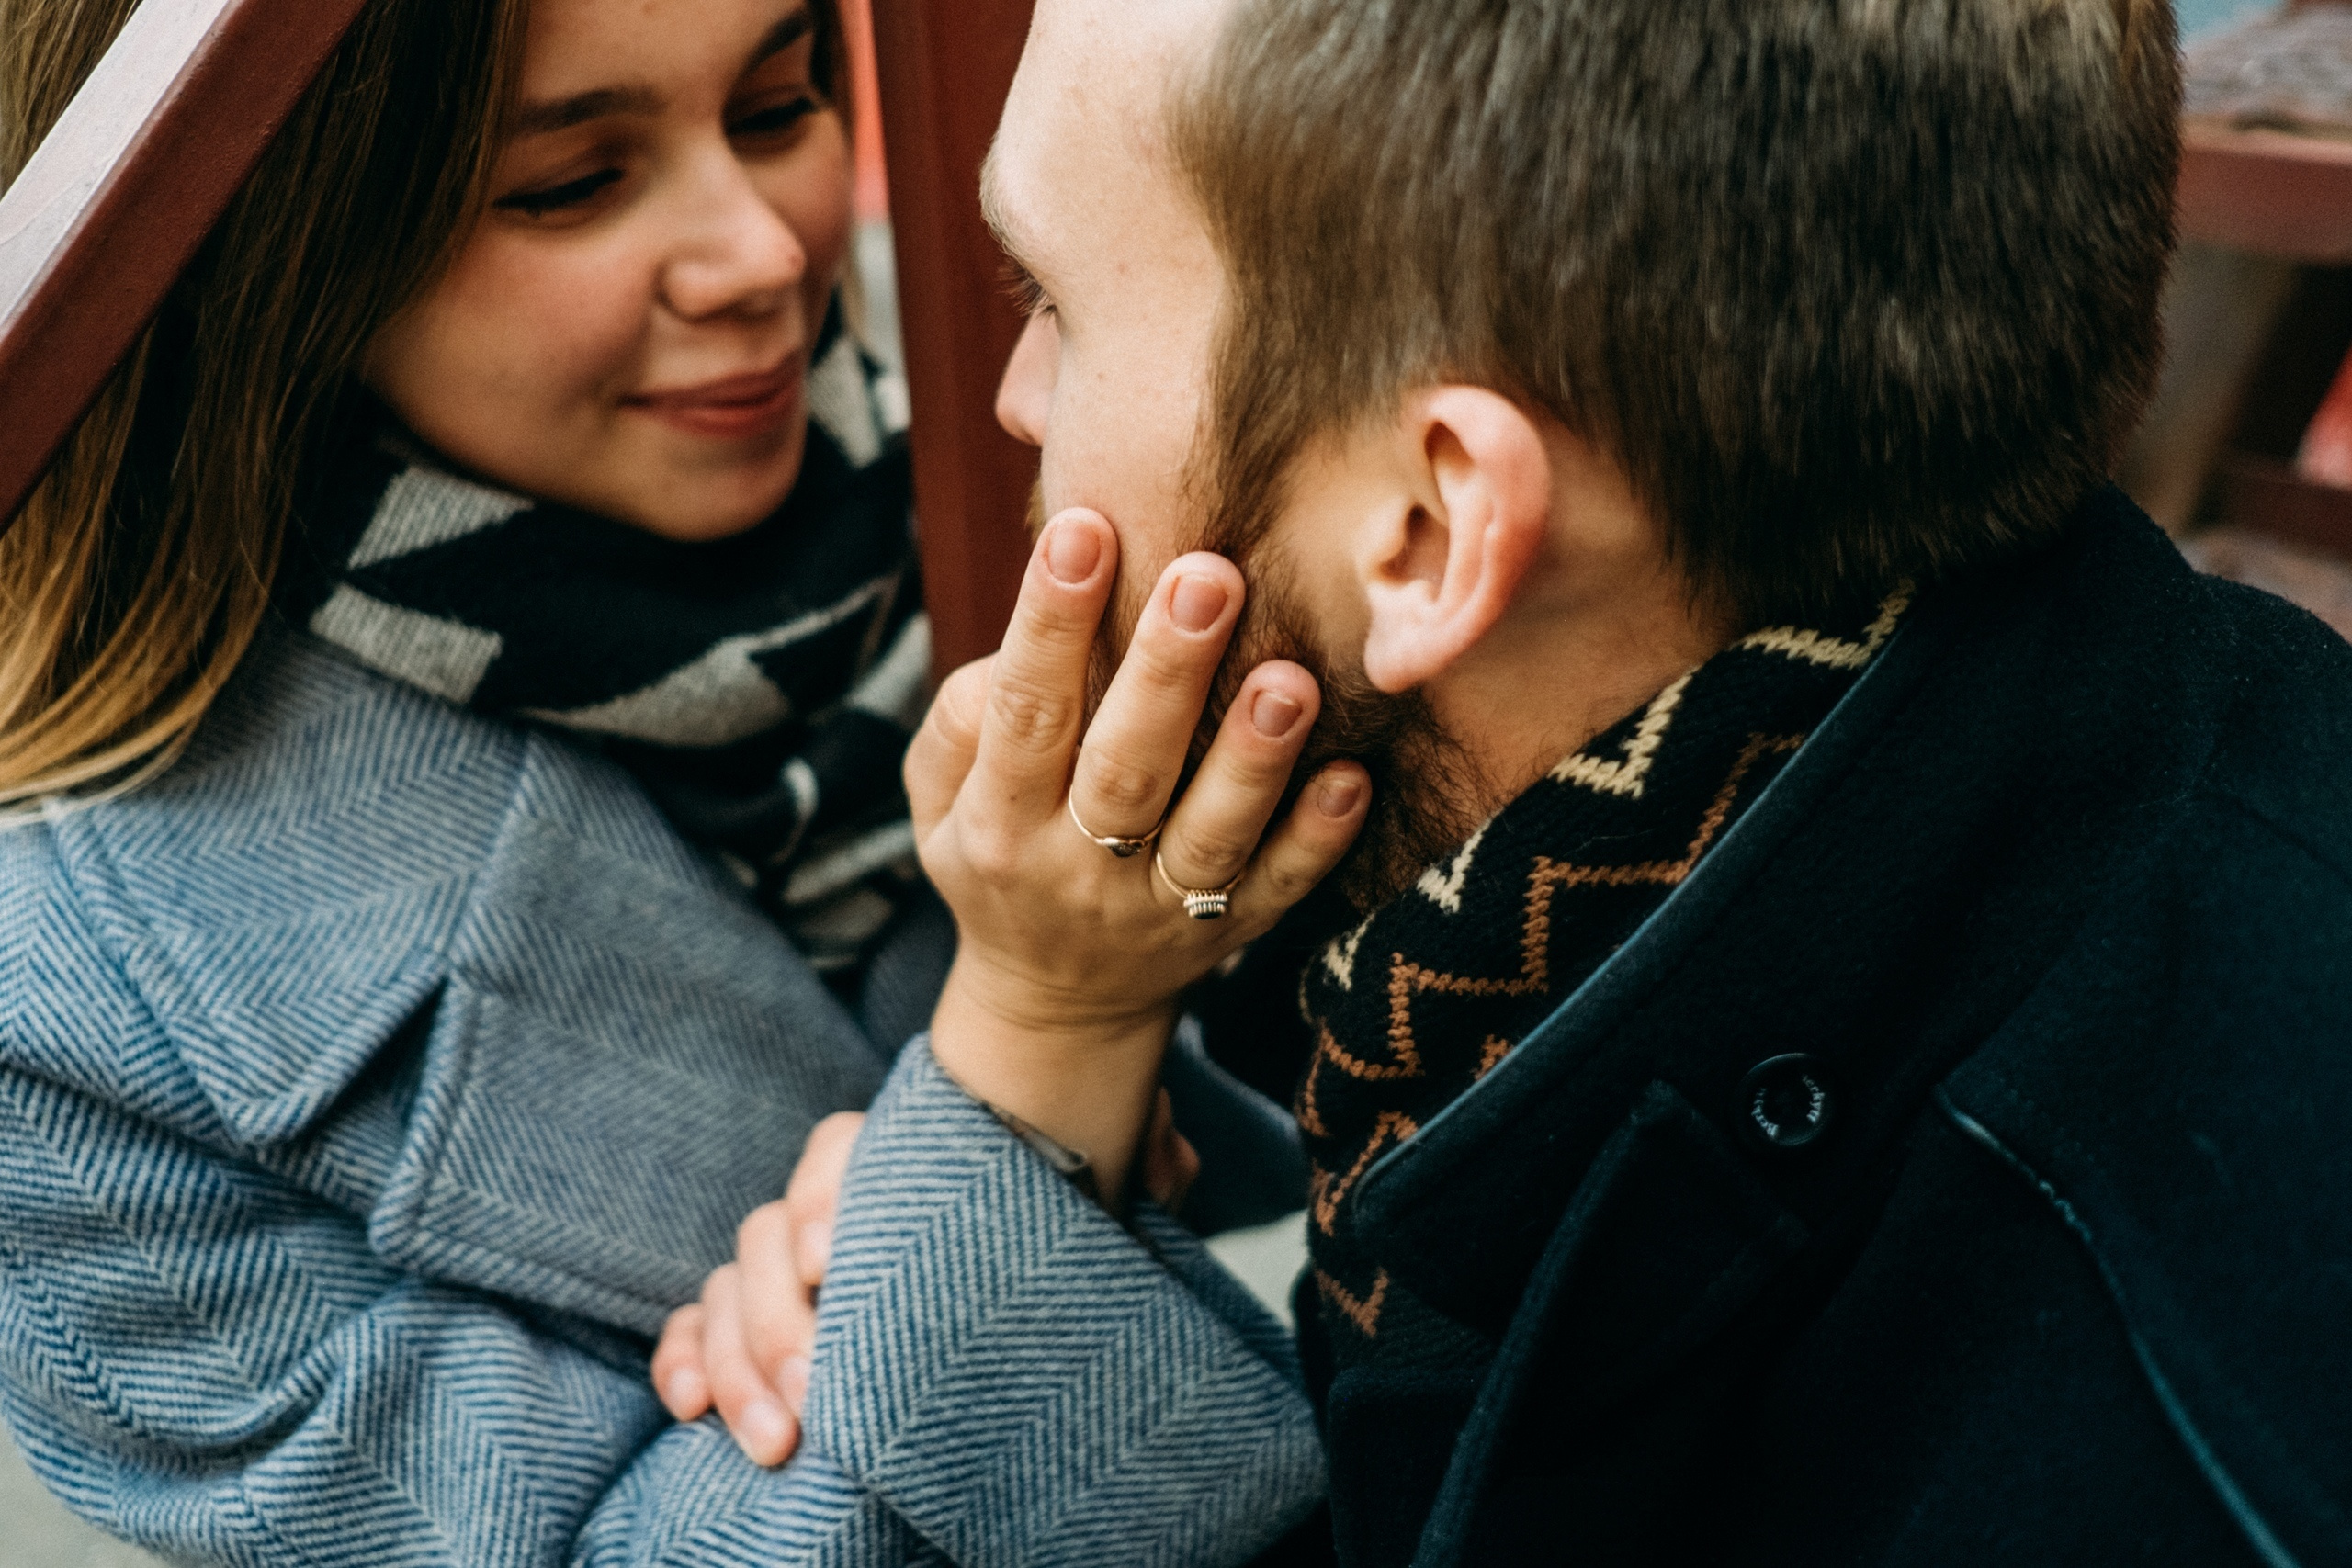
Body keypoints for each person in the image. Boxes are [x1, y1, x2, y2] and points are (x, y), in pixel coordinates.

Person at [661, 0, 2352, 1564]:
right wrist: (1024, 1128)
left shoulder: (2155, 1447)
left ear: (1430, 529)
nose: (1016, 402)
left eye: (1051, 307)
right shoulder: (1524, 930)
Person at [0, 0, 1302, 1558]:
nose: (759, 254)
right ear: (270, 248)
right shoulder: (68, 1021)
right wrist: (1034, 1064)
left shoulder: (1054, 424)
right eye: (570, 184)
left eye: (776, 105)